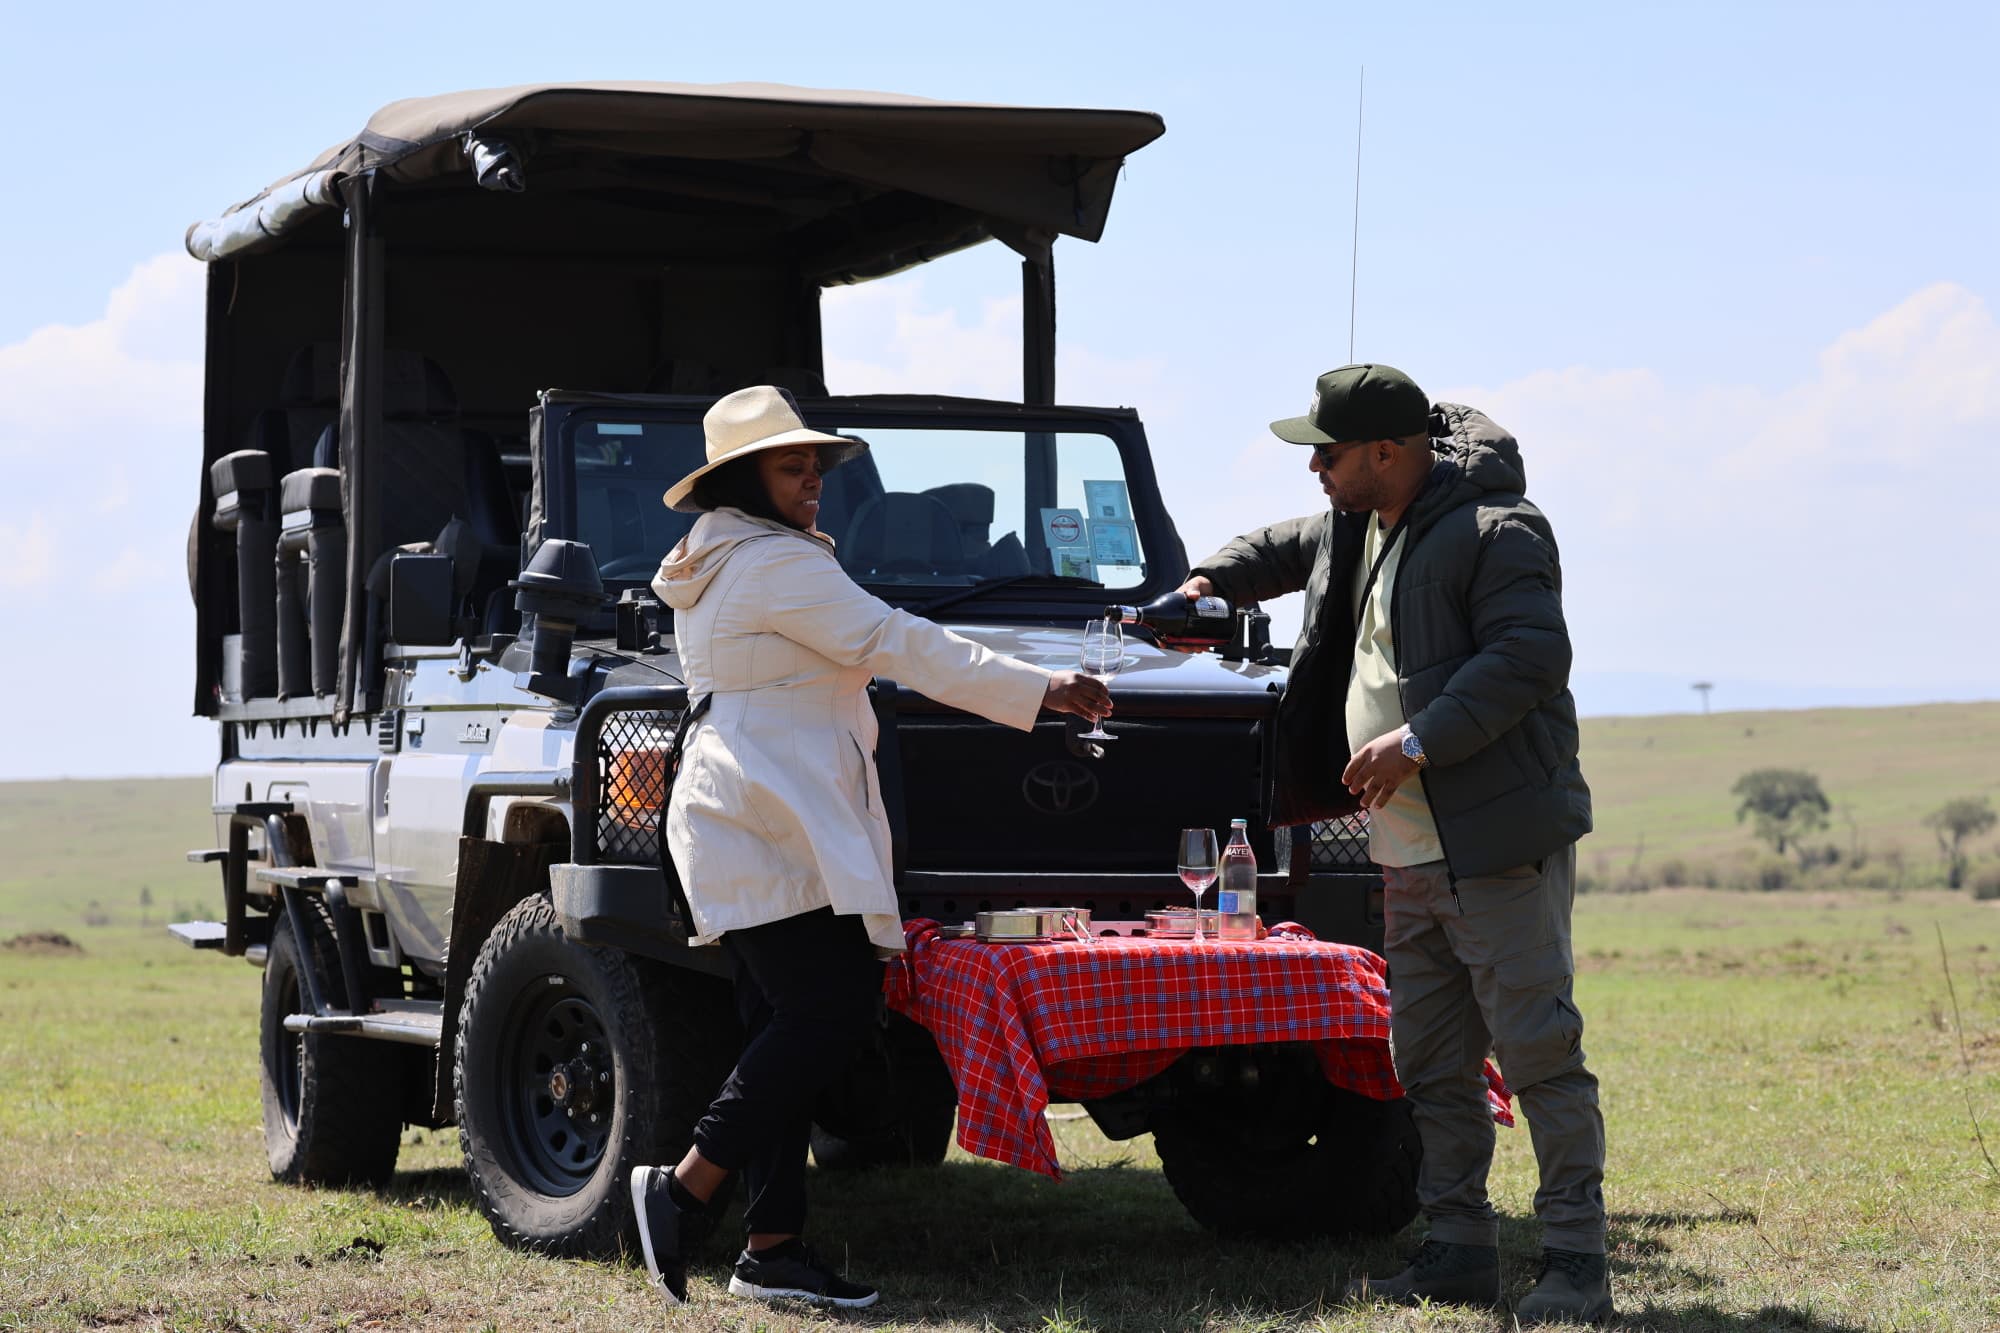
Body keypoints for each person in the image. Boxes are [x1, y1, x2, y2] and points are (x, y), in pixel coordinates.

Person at [628, 385, 1111, 1310]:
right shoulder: (775, 564)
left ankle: (771, 1246)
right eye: (792, 466)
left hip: (759, 812)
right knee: (831, 1010)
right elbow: (900, 641)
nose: (813, 481)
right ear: (743, 479)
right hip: (772, 815)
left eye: (814, 465)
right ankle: (685, 1185)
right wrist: (1038, 687)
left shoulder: (729, 554)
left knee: (784, 1026)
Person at [1174, 364, 1609, 1324]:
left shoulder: (1501, 532)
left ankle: (1577, 1260)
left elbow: (1532, 656)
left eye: (1326, 451)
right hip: (1402, 851)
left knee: (1539, 1053)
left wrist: (1418, 740)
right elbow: (1271, 546)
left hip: (1491, 842)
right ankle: (1457, 1248)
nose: (1315, 468)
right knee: (1429, 1063)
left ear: (1385, 451)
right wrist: (1209, 582)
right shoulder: (1352, 521)